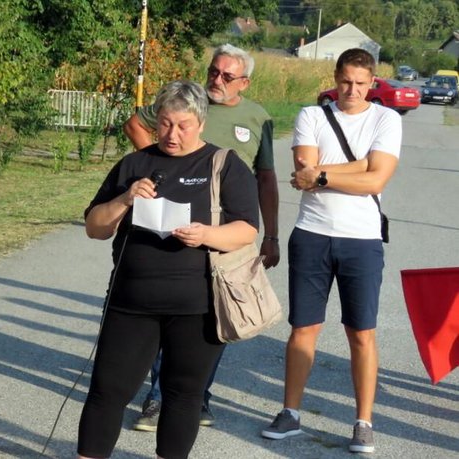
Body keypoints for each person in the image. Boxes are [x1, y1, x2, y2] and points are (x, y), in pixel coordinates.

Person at [77, 80, 259, 459]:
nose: (171, 134)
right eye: (163, 123)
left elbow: (245, 229)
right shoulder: (134, 164)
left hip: (197, 305)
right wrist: (126, 198)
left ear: (201, 123)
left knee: (182, 395)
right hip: (131, 301)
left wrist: (206, 234)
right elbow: (95, 227)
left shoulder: (223, 165)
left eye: (183, 125)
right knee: (107, 390)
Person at [123, 43, 279, 429]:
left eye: (227, 76)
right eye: (213, 71)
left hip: (226, 231)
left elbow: (266, 178)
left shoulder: (258, 117)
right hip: (173, 221)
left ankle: (197, 396)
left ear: (244, 81)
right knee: (167, 310)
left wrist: (271, 234)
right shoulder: (188, 103)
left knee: (214, 317)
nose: (217, 80)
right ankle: (157, 398)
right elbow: (136, 123)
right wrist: (160, 162)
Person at [261, 48, 402, 454]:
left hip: (362, 239)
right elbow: (304, 176)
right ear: (335, 78)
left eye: (361, 83)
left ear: (372, 83)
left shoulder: (386, 119)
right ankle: (290, 413)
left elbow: (376, 182)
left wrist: (324, 173)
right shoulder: (311, 115)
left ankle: (363, 421)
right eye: (345, 82)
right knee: (303, 328)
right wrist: (359, 166)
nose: (352, 90)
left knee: (361, 332)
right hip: (312, 234)